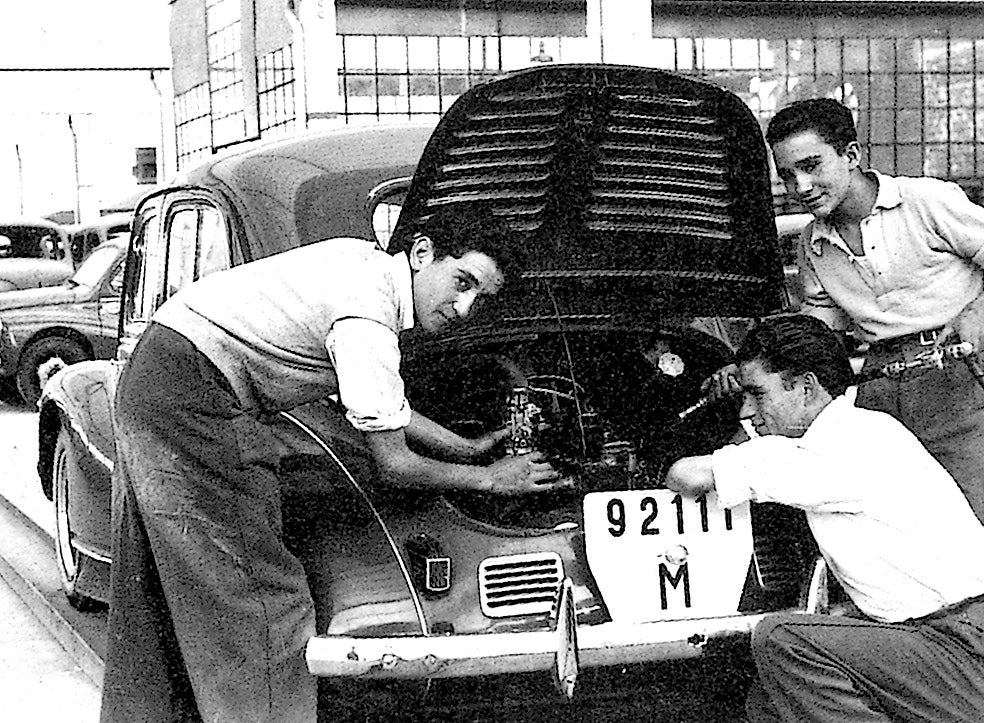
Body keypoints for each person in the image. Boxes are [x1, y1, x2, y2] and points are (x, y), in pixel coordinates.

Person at [99, 206, 567, 723]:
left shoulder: (363, 269)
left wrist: (467, 447)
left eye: (481, 297)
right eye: (462, 281)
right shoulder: (367, 314)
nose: (464, 306)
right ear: (421, 253)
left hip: (163, 379)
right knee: (264, 601)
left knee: (164, 590)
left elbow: (390, 408)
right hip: (195, 397)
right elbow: (393, 462)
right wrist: (492, 479)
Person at [666, 314, 984, 722]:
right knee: (767, 701)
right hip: (944, 635)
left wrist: (743, 437)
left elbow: (685, 475)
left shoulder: (841, 446)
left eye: (757, 394)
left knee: (783, 641)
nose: (747, 409)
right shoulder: (866, 427)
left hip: (962, 643)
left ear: (805, 387)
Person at [709, 97, 984, 522]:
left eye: (812, 165)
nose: (800, 187)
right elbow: (816, 336)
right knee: (896, 523)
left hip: (962, 382)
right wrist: (750, 371)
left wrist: (977, 311)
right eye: (786, 175)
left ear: (851, 154)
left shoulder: (926, 201)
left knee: (974, 520)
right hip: (879, 393)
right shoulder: (812, 244)